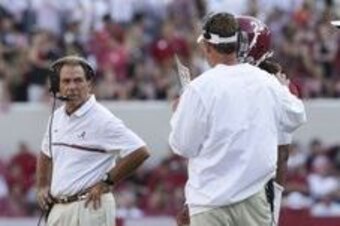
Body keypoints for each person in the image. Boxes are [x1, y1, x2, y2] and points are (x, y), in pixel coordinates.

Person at [169, 12, 306, 226]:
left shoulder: (200, 88)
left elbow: (183, 146)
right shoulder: (266, 82)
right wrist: (283, 89)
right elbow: (297, 116)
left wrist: (180, 114)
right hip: (254, 199)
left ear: (207, 46)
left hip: (210, 202)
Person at [36, 55, 150, 226]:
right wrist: (42, 186)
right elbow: (45, 154)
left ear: (89, 83)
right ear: (57, 85)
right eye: (66, 81)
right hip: (59, 208)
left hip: (90, 207)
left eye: (78, 80)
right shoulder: (56, 117)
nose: (72, 87)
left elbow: (140, 151)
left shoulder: (102, 119)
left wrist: (106, 182)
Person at [236, 15, 303, 224]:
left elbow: (282, 151)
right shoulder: (228, 78)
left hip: (254, 183)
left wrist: (276, 194)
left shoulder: (275, 85)